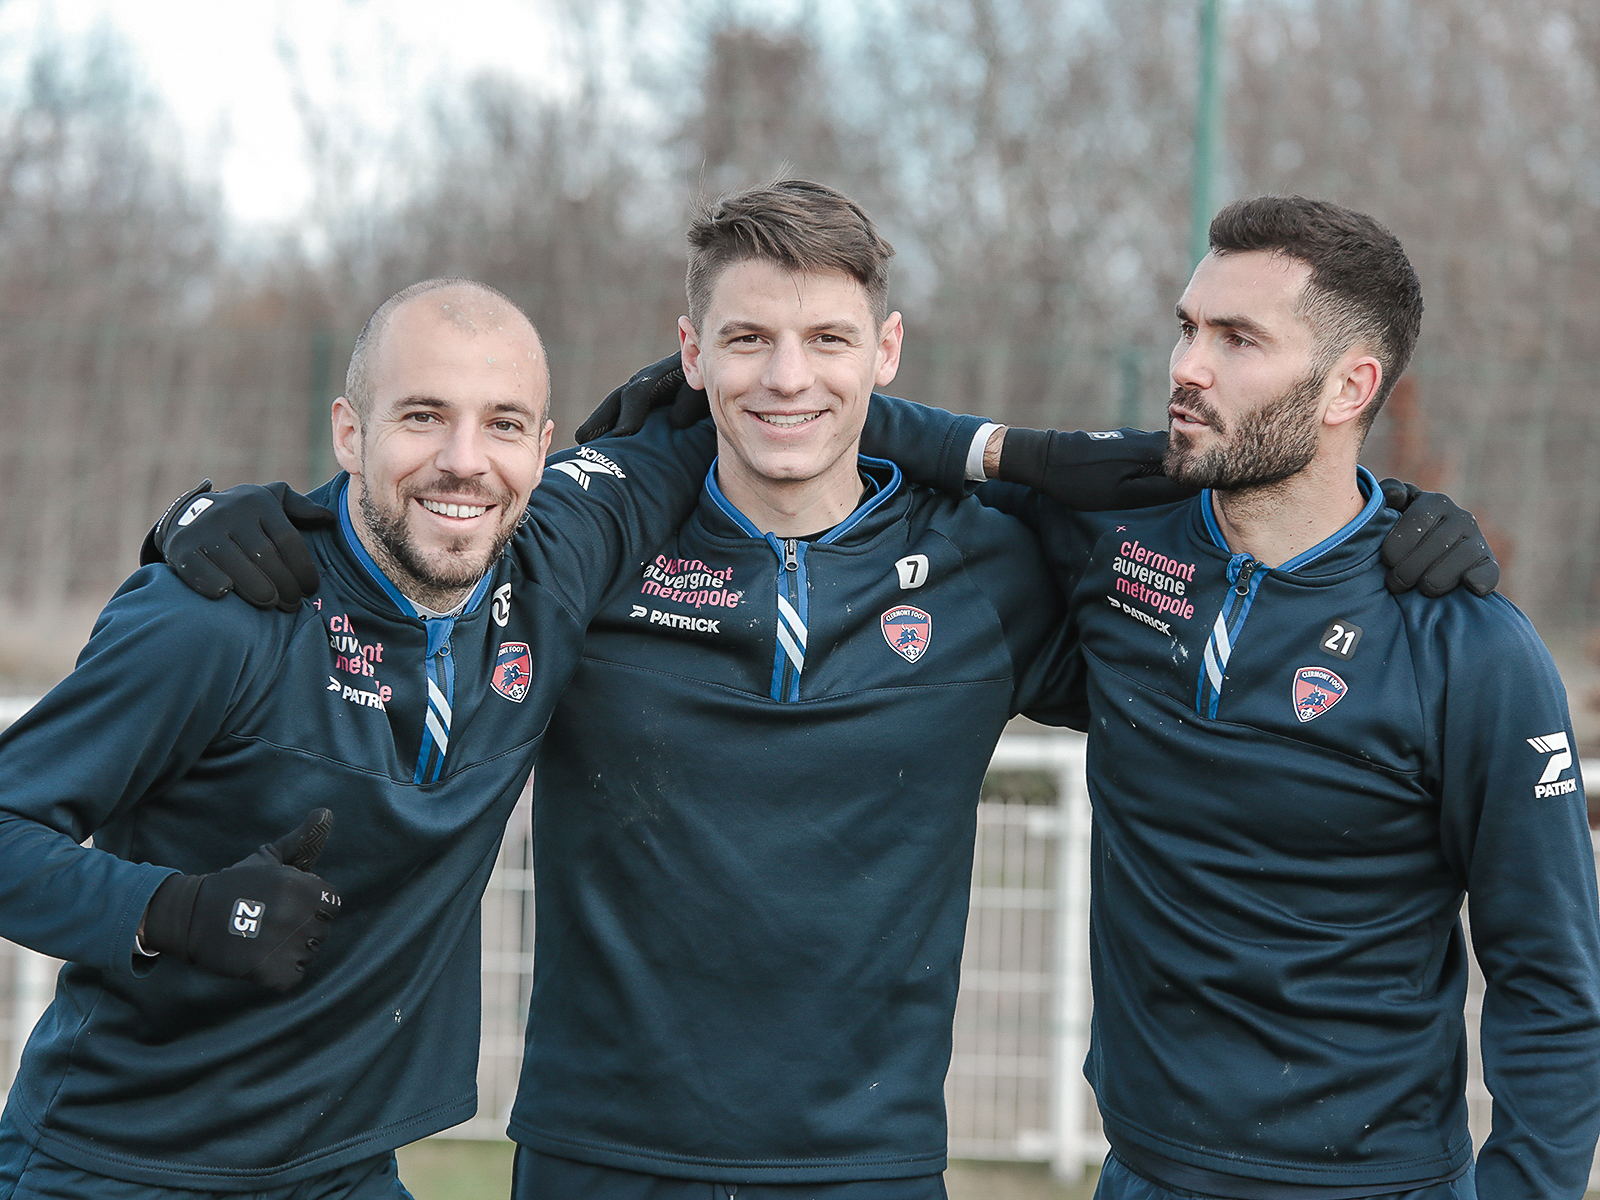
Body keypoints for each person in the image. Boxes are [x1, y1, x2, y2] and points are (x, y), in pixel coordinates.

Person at [171, 183, 1502, 1199]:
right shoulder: (608, 528)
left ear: (887, 349)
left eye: (826, 338)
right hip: (595, 1154)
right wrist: (223, 524)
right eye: (746, 338)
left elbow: (1238, 559)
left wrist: (1392, 535)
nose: (787, 376)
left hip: (866, 1166)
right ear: (690, 349)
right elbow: (426, 541)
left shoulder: (991, 561)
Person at [0, 277, 719, 1199]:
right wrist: (176, 911)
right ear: (350, 432)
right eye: (423, 416)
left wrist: (969, 447)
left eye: (503, 425)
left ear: (545, 451)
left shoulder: (556, 569)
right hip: (118, 1163)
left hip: (342, 1171)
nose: (465, 462)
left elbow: (794, 397)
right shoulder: (220, 618)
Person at [969, 197, 1600, 1198]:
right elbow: (867, 468)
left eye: (1237, 339)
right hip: (1140, 1175)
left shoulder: (1469, 650)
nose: (1186, 365)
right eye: (1186, 326)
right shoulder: (1116, 555)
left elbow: (1552, 983)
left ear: (1350, 385)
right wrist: (681, 409)